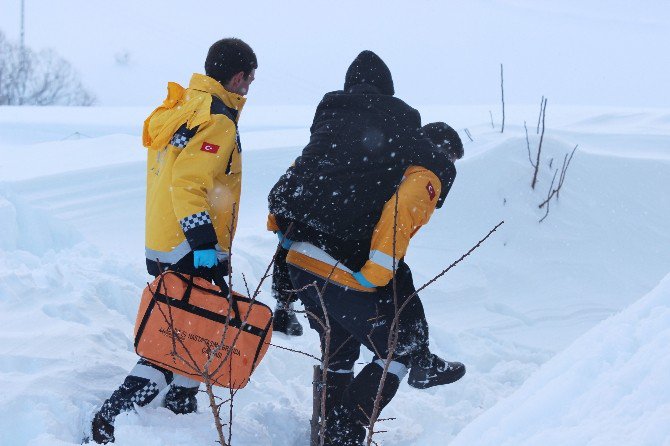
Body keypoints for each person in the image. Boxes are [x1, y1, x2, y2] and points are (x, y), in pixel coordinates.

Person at [267, 50, 465, 445]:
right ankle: (346, 428)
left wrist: (285, 272)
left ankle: (325, 434)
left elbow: (288, 193)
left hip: (299, 260)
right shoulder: (417, 160)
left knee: (338, 350)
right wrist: (374, 273)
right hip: (342, 270)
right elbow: (398, 219)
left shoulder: (340, 137)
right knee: (398, 349)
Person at [90, 37, 257, 444]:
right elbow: (188, 184)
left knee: (191, 330)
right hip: (191, 246)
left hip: (164, 240)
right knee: (176, 340)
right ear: (237, 77)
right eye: (249, 79)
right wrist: (203, 243)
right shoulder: (217, 118)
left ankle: (180, 409)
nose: (249, 88)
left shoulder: (183, 106)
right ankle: (111, 420)